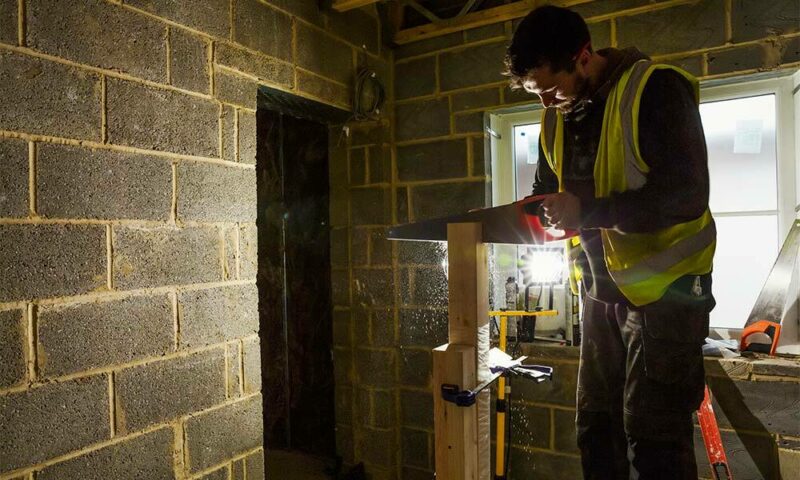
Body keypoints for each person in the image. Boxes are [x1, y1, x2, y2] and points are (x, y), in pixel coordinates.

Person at [503, 5, 716, 479]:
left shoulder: (655, 89)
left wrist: (588, 212)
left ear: (583, 56)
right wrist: (539, 209)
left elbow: (686, 196)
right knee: (596, 429)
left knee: (656, 438)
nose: (546, 103)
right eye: (537, 94)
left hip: (670, 296)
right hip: (600, 294)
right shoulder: (556, 116)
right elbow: (550, 187)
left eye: (551, 88)